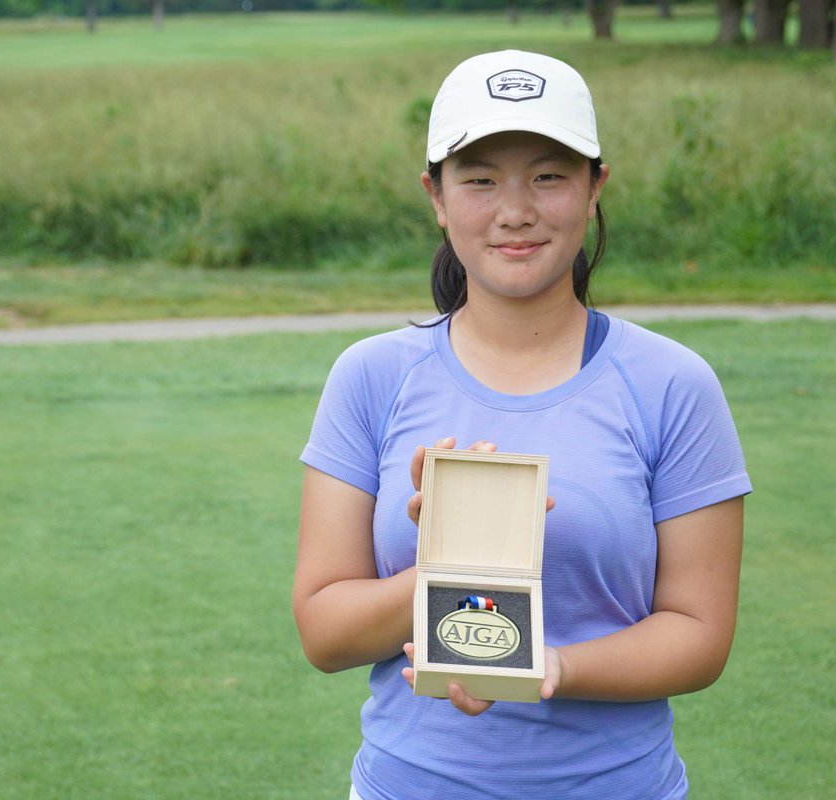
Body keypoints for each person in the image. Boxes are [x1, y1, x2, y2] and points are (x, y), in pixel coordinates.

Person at [293, 50, 752, 800]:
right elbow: (323, 632)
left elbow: (699, 634)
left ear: (595, 188)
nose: (515, 211)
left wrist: (552, 667)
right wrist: (448, 566)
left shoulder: (673, 383)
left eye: (548, 176)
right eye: (479, 180)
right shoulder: (370, 376)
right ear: (436, 196)